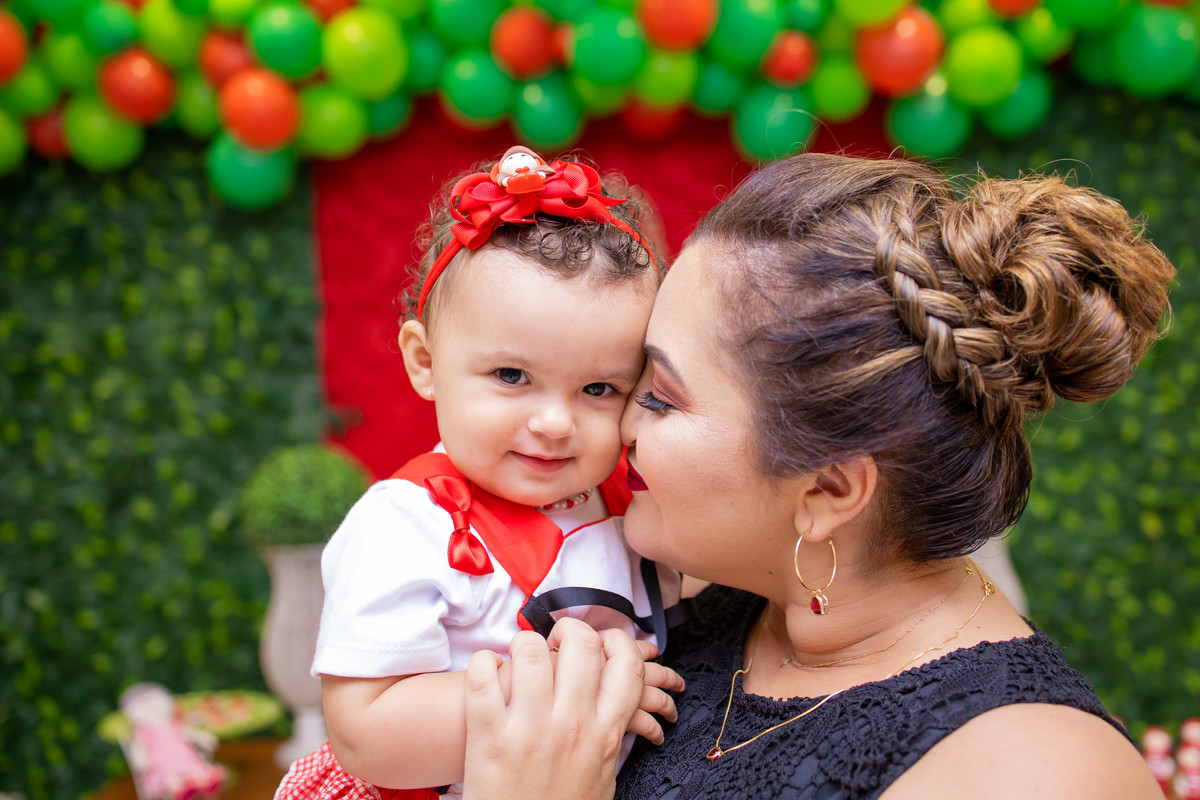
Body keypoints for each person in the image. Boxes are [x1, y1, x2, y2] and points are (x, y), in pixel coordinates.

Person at [459, 152, 1177, 799]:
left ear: (828, 492)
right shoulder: (695, 594)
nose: (621, 428)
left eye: (661, 398)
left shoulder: (1031, 777)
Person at [274, 146, 685, 800]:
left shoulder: (629, 504)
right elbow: (367, 732)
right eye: (512, 377)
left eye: (600, 389)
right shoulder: (404, 526)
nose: (555, 422)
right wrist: (582, 693)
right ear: (424, 361)